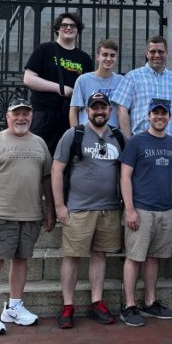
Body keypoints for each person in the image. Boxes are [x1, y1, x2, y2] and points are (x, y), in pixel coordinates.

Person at [0, 98, 53, 336]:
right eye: (16, 114)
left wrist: (50, 209)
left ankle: (14, 306)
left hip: (30, 214)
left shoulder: (39, 143)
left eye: (26, 114)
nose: (21, 118)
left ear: (31, 117)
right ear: (8, 117)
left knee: (22, 259)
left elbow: (47, 177)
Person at [51, 92, 124, 329]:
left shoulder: (118, 137)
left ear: (110, 111)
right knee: (72, 256)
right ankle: (68, 305)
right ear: (87, 110)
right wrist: (60, 206)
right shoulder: (74, 134)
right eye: (95, 108)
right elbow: (56, 170)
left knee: (99, 255)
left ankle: (96, 302)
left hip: (109, 209)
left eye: (103, 108)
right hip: (79, 208)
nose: (99, 111)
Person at [118, 98, 172, 326]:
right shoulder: (136, 142)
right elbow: (125, 176)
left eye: (164, 114)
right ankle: (130, 305)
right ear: (148, 115)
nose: (160, 117)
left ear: (169, 118)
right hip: (141, 209)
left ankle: (150, 301)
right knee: (135, 257)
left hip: (165, 210)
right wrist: (130, 209)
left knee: (154, 258)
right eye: (156, 113)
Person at [23, 12, 93, 154]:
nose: (69, 28)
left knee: (66, 158)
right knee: (40, 156)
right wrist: (60, 89)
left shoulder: (84, 58)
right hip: (45, 114)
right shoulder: (44, 50)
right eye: (64, 25)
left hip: (71, 116)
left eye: (73, 25)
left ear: (78, 30)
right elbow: (29, 78)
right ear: (57, 29)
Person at [112, 35, 172, 145]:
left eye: (160, 52)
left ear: (167, 53)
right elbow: (122, 110)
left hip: (170, 142)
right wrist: (128, 140)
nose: (156, 55)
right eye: (152, 51)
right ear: (146, 53)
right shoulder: (132, 77)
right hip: (141, 142)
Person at [70, 39, 123, 129]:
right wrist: (75, 134)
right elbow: (73, 110)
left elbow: (124, 111)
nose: (109, 59)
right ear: (97, 57)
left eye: (112, 55)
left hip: (112, 134)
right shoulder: (83, 80)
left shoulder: (121, 81)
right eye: (105, 55)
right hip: (87, 133)